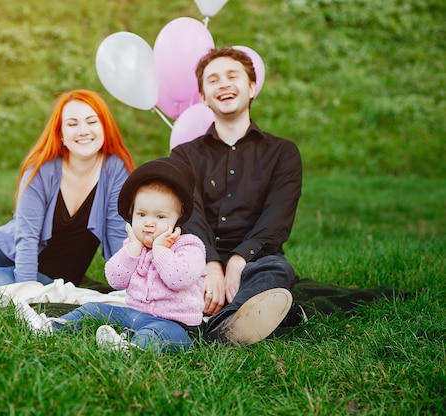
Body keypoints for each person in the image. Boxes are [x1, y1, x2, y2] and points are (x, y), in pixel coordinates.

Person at [0, 89, 136, 292]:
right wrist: (25, 287)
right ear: (61, 133)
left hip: (53, 274)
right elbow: (26, 235)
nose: (83, 130)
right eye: (72, 124)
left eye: (92, 121)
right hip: (1, 247)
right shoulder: (42, 168)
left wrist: (127, 289)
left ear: (104, 127)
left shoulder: (116, 170)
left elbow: (119, 238)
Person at [170, 46, 303, 346]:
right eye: (213, 80)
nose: (224, 84)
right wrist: (211, 264)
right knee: (168, 273)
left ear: (252, 87)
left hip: (257, 262)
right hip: (196, 260)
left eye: (233, 76)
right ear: (203, 96)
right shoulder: (184, 155)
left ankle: (217, 324)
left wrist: (240, 259)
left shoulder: (282, 153)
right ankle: (237, 319)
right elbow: (189, 214)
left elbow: (276, 221)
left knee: (278, 270)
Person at [17, 158, 207, 354]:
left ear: (179, 216)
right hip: (134, 314)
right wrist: (132, 251)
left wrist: (160, 250)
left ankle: (131, 350)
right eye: (141, 215)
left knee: (155, 334)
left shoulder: (190, 246)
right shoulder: (135, 245)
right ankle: (52, 328)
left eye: (160, 217)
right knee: (94, 309)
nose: (149, 223)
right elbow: (115, 280)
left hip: (176, 326)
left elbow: (178, 279)